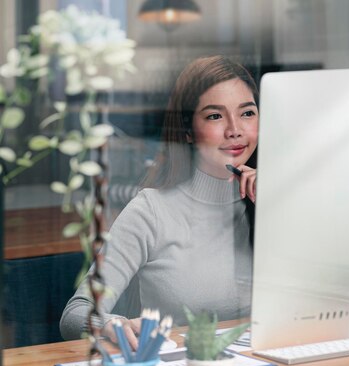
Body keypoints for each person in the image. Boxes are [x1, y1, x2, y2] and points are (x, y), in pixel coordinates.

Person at [60, 56, 259, 348]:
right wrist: (111, 325)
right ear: (188, 131)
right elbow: (75, 315)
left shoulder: (271, 204)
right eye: (215, 116)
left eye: (247, 113)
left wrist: (277, 205)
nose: (235, 129)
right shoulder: (151, 211)